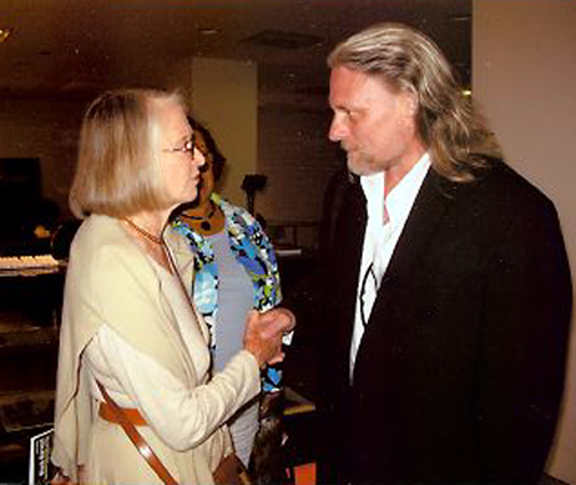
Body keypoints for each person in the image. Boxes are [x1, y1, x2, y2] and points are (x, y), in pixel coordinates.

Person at [314, 22, 573, 484]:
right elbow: (343, 311)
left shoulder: (512, 215)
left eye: (351, 113)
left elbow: (522, 405)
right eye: (334, 111)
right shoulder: (347, 194)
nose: (334, 131)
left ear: (411, 103)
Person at [50, 88, 294, 484]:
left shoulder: (168, 242)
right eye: (184, 147)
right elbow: (182, 421)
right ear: (136, 161)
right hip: (146, 467)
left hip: (191, 457)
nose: (199, 159)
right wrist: (253, 357)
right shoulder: (111, 255)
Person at [168, 119, 293, 481]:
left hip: (245, 396)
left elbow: (272, 300)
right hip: (192, 405)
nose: (200, 164)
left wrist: (271, 379)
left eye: (205, 153)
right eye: (190, 153)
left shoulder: (245, 224)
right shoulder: (160, 232)